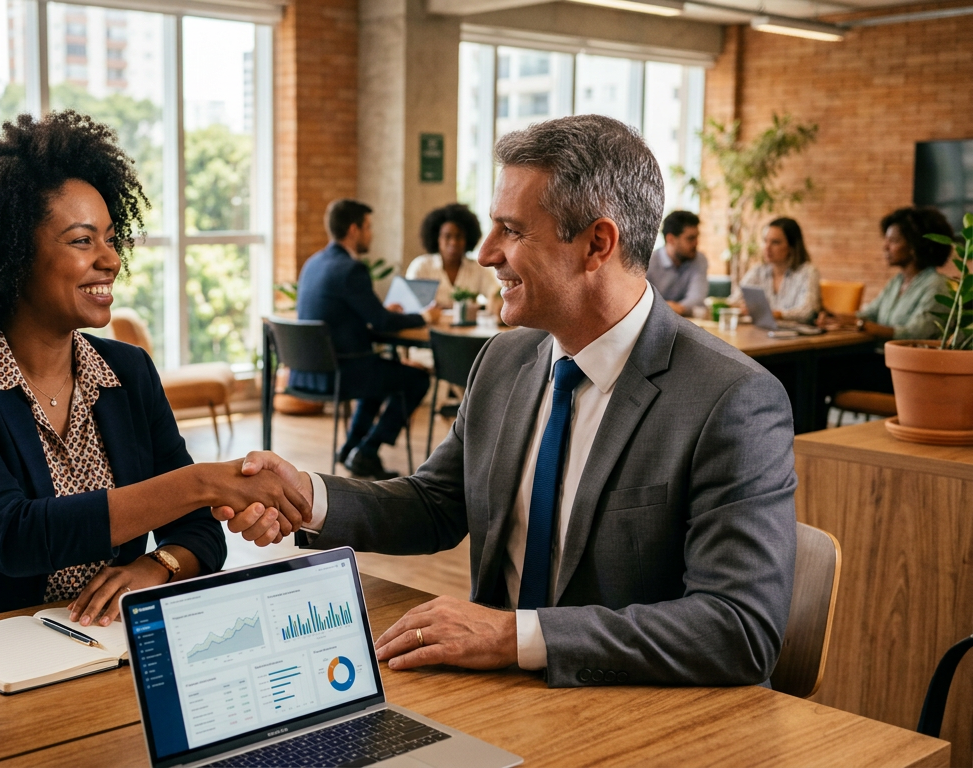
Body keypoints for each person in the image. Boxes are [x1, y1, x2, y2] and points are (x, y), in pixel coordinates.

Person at [219, 115, 797, 688]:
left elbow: (738, 628)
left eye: (511, 230)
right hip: (499, 698)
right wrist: (308, 496)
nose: (484, 253)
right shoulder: (503, 360)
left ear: (597, 244)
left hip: (639, 713)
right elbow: (436, 504)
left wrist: (513, 636)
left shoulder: (732, 400)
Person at [0, 111, 307, 632]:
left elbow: (199, 533)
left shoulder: (127, 371)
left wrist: (155, 567)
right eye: (82, 240)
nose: (110, 259)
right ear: (11, 255)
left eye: (111, 238)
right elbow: (10, 535)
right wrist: (201, 481)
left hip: (100, 639)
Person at [291, 199, 437, 481]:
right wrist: (425, 317)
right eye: (368, 227)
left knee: (378, 376)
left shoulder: (314, 263)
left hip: (308, 373)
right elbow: (382, 323)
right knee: (417, 380)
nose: (371, 234)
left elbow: (356, 315)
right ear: (353, 229)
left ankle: (351, 449)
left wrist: (383, 312)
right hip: (342, 372)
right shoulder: (350, 269)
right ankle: (367, 451)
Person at [816, 207, 954, 402]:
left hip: (906, 372)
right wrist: (835, 317)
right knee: (815, 368)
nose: (885, 247)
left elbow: (915, 334)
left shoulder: (937, 286)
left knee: (818, 372)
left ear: (915, 245)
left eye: (894, 241)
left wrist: (860, 325)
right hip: (882, 362)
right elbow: (869, 314)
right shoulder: (897, 282)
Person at [406, 203, 500, 308]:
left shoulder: (477, 269)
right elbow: (409, 303)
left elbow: (496, 294)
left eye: (458, 236)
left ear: (467, 239)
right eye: (447, 236)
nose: (453, 242)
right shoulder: (421, 267)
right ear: (437, 239)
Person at [740, 218, 822, 323]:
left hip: (794, 332)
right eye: (765, 241)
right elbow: (735, 300)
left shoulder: (808, 272)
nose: (767, 247)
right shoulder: (758, 271)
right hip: (762, 330)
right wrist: (743, 307)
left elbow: (808, 311)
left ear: (792, 246)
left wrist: (774, 314)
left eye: (775, 242)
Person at [645, 210, 708, 316]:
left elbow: (697, 298)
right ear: (671, 239)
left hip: (683, 322)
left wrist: (676, 308)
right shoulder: (647, 262)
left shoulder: (699, 259)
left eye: (697, 237)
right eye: (690, 238)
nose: (696, 243)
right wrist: (671, 309)